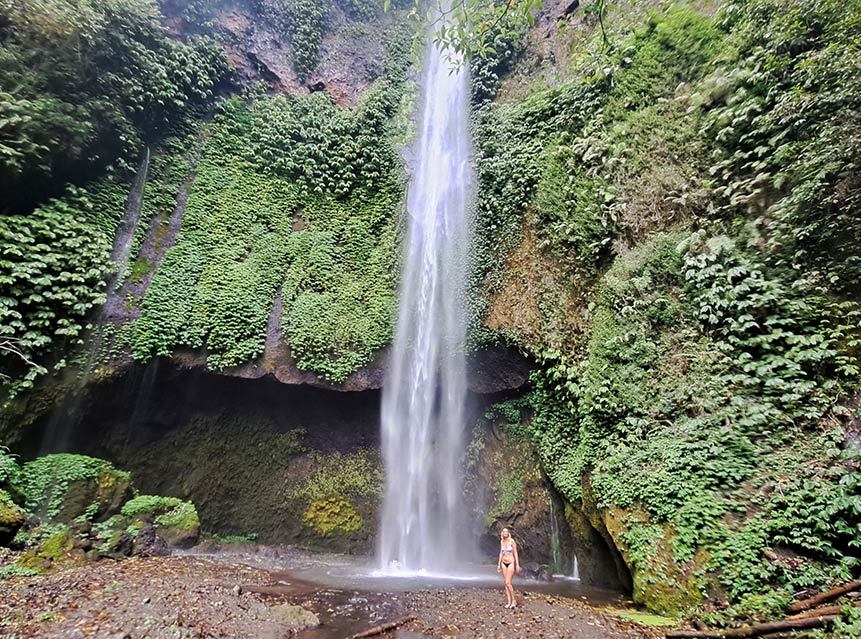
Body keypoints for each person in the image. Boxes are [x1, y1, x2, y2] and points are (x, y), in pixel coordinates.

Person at [496, 527, 520, 608]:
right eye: (503, 531)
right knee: (506, 583)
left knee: (508, 582)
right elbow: (501, 553)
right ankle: (509, 601)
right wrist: (499, 564)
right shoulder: (502, 541)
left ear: (508, 533)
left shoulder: (512, 541)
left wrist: (517, 564)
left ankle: (514, 601)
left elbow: (515, 553)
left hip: (511, 562)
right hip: (503, 563)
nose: (505, 533)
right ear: (502, 533)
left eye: (506, 531)